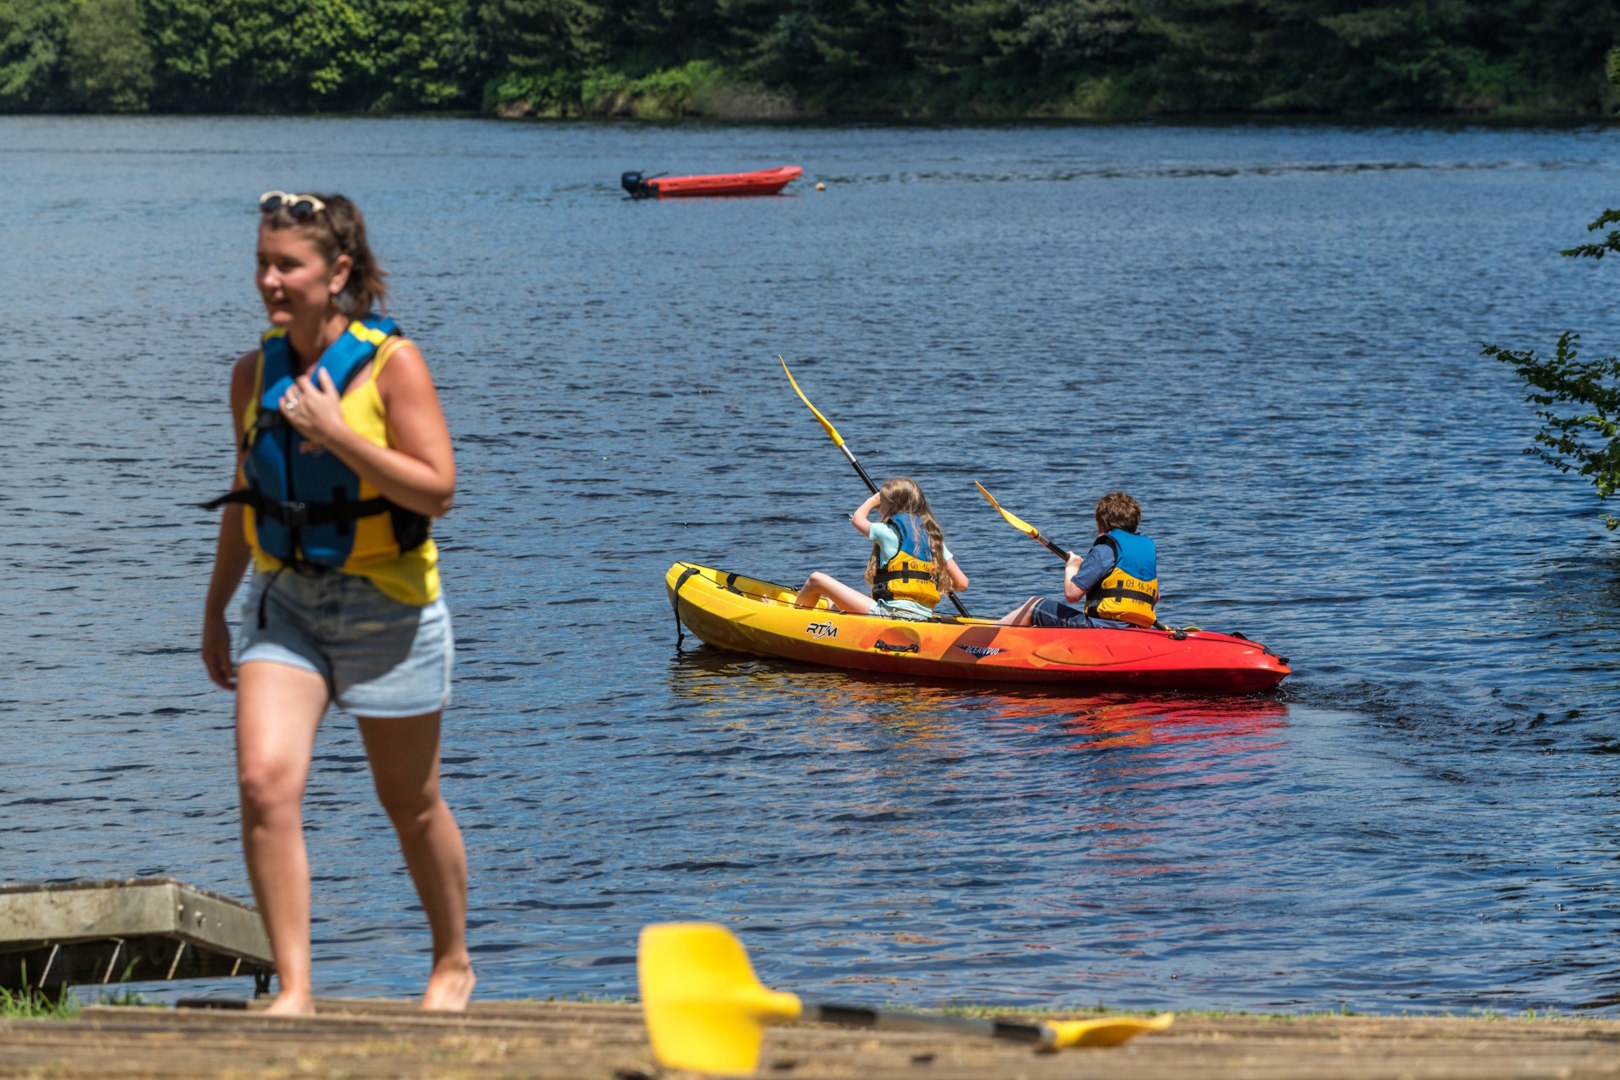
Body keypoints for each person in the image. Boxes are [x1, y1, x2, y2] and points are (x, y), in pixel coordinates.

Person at [200, 191, 472, 1015]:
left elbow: (438, 493)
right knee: (264, 783)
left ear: (338, 271)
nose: (271, 281)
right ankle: (297, 989)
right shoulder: (253, 373)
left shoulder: (393, 365)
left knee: (410, 802)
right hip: (285, 603)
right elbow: (250, 501)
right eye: (262, 264)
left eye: (289, 265)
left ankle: (452, 962)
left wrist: (343, 433)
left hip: (388, 609)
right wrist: (215, 608)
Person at [795, 477, 969, 619]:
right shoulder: (934, 538)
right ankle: (831, 613)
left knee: (816, 579)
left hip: (889, 615)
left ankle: (793, 622)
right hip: (924, 617)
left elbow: (857, 519)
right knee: (832, 603)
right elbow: (962, 583)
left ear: (889, 505)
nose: (880, 509)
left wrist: (873, 499)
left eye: (882, 504)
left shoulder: (887, 531)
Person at [997, 491, 1158, 629]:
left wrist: (1072, 567)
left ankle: (988, 635)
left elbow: (1072, 595)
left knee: (1035, 605)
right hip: (1137, 629)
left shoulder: (1104, 549)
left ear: (1100, 524)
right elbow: (1155, 598)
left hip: (1099, 628)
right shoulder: (1145, 550)